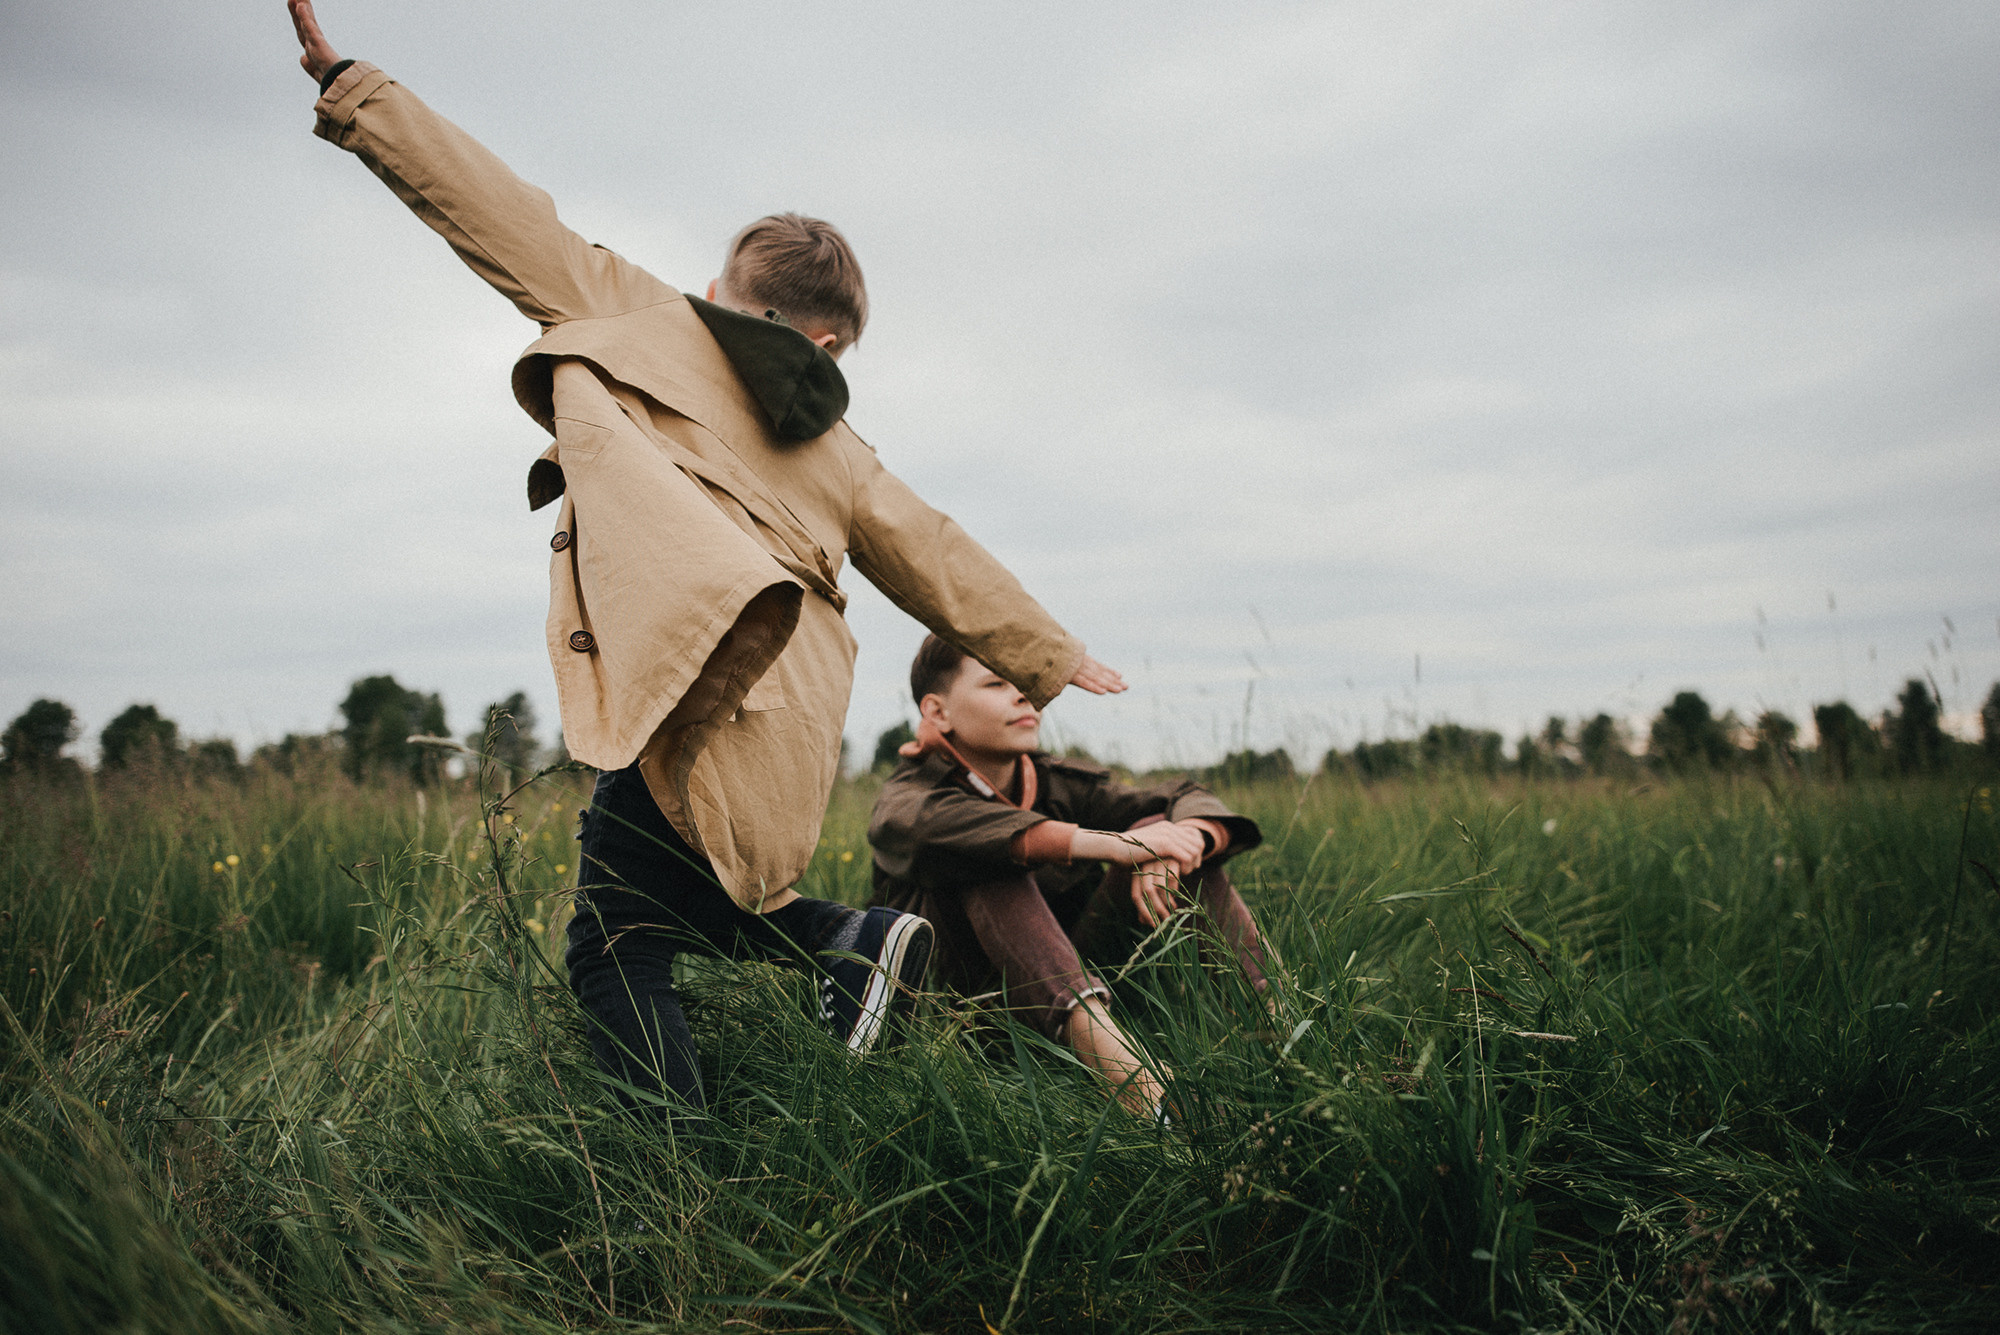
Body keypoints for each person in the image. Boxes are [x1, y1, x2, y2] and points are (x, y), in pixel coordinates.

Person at [283, 1, 1127, 1120]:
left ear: (727, 287)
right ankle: (843, 953)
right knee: (661, 904)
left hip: (685, 671)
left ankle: (683, 1150)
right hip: (779, 715)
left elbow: (492, 208)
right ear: (829, 342)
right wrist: (1052, 652)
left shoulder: (638, 313)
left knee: (611, 942)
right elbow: (933, 551)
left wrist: (355, 88)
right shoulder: (843, 454)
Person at [869, 635, 1274, 1118]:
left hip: (1084, 989)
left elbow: (1177, 796)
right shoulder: (907, 797)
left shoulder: (1056, 780)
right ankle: (1139, 1088)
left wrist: (1181, 842)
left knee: (1168, 837)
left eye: (1025, 681)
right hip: (968, 1016)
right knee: (989, 855)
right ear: (937, 713)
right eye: (997, 682)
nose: (1024, 694)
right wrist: (1116, 845)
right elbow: (945, 826)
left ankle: (1280, 1031)